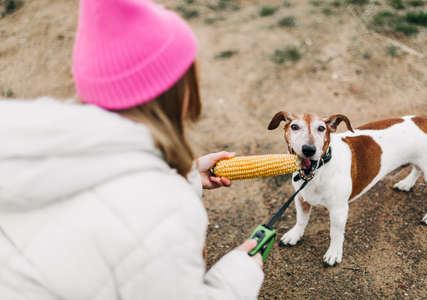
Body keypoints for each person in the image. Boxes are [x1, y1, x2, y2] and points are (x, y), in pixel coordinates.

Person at [0, 0, 264, 299]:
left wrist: (184, 174)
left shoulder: (27, 141)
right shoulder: (166, 211)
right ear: (177, 91)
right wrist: (239, 276)